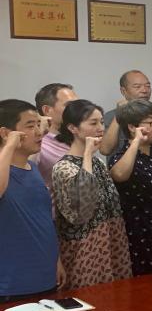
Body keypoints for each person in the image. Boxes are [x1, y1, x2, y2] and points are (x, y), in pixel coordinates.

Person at [51, 100, 132, 289]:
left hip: (111, 240)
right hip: (85, 248)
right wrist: (87, 153)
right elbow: (82, 210)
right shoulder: (63, 167)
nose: (100, 128)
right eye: (93, 123)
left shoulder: (98, 163)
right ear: (73, 128)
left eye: (101, 122)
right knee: (90, 300)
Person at [0, 99, 63, 302]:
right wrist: (9, 145)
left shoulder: (33, 168)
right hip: (11, 284)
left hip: (45, 276)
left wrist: (56, 260)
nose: (39, 132)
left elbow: (44, 219)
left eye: (38, 124)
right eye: (30, 126)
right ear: (5, 133)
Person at [108, 100, 152, 276]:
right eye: (150, 123)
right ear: (131, 127)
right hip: (138, 229)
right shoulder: (121, 156)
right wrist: (136, 141)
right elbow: (119, 175)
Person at [100, 70, 152, 156]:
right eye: (137, 87)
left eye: (148, 86)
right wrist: (119, 114)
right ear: (123, 91)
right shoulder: (110, 116)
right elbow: (105, 150)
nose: (144, 90)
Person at [34, 82, 78, 189]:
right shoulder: (38, 142)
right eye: (69, 105)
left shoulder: (77, 136)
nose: (77, 109)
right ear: (47, 110)